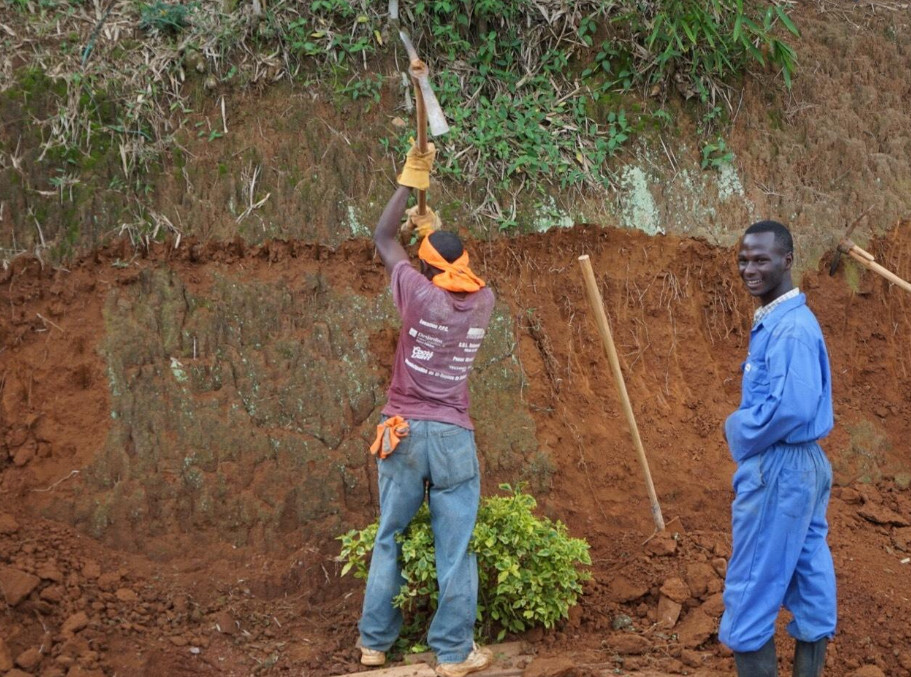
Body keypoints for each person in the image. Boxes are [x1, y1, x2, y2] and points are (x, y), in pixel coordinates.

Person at [356, 143, 495, 677]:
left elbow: (383, 238)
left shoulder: (415, 293)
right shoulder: (484, 300)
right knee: (454, 548)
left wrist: (407, 182)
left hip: (404, 431)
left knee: (388, 535)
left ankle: (374, 645)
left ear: (425, 265)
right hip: (454, 437)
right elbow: (451, 264)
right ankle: (455, 654)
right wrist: (434, 233)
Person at [719, 220, 836, 677]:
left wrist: (739, 428)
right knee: (809, 572)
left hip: (781, 468)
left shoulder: (788, 329)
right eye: (744, 259)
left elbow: (793, 406)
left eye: (761, 259)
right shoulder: (786, 320)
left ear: (787, 260)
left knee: (751, 581)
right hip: (805, 465)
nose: (750, 268)